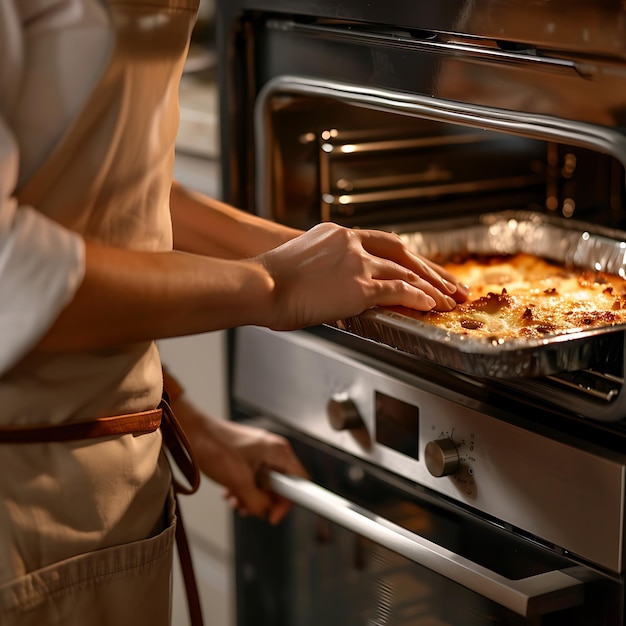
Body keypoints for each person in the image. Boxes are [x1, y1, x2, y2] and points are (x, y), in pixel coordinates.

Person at [0, 0, 468, 624]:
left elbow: (93, 185)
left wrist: (190, 418)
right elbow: (12, 274)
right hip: (22, 500)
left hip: (106, 467)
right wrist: (270, 284)